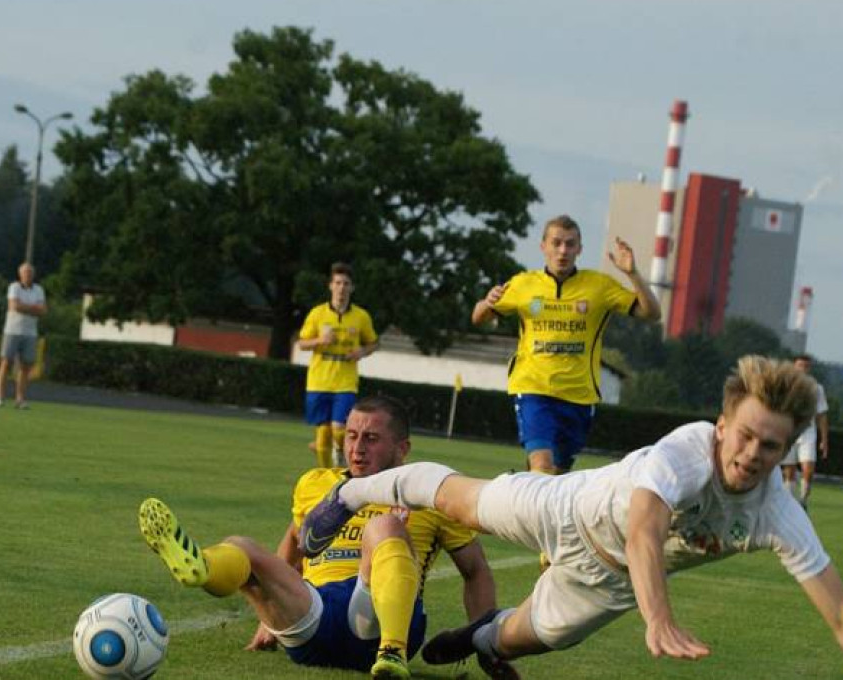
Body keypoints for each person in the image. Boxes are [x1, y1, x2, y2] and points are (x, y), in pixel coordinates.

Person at [300, 356, 843, 675]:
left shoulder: (778, 510)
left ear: (787, 449)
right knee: (458, 501)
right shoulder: (687, 450)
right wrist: (658, 617)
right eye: (745, 435)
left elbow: (837, 614)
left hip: (610, 584)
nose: (752, 454)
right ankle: (351, 495)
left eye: (769, 446)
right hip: (566, 510)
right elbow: (645, 532)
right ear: (722, 425)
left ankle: (478, 637)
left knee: (521, 641)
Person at [138, 395, 498, 679]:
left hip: (381, 620)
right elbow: (294, 547)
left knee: (384, 527)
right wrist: (269, 616)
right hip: (316, 616)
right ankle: (203, 567)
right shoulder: (316, 483)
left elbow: (476, 570)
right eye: (351, 436)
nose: (356, 448)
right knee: (241, 547)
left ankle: (392, 653)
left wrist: (481, 641)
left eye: (371, 439)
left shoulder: (428, 495)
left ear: (402, 449)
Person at [472, 215, 660, 476]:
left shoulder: (599, 286)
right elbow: (478, 317)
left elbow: (651, 313)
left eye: (570, 244)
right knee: (542, 466)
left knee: (558, 476)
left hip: (579, 396)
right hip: (533, 388)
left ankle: (522, 492)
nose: (563, 251)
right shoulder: (523, 284)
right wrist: (487, 301)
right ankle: (528, 496)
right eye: (556, 243)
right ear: (543, 247)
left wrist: (632, 274)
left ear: (579, 249)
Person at [297, 262, 379, 467]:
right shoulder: (317, 314)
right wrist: (319, 341)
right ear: (330, 286)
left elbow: (374, 343)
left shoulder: (361, 316)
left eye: (346, 283)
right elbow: (301, 343)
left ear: (352, 288)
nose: (341, 287)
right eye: (338, 283)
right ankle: (326, 473)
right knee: (323, 434)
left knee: (340, 429)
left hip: (346, 381)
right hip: (318, 380)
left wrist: (362, 351)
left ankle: (342, 455)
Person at [0, 262, 46, 409]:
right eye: (25, 273)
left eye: (30, 273)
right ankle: (0, 397)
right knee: (6, 363)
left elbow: (43, 311)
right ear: (20, 274)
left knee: (26, 366)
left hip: (30, 332)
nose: (28, 275)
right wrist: (33, 309)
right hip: (12, 330)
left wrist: (25, 307)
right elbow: (14, 306)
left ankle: (20, 398)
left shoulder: (39, 290)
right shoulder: (14, 287)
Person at [781, 353, 830, 509]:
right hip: (789, 431)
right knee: (789, 471)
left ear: (809, 368)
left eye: (806, 366)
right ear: (794, 366)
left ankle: (803, 501)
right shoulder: (785, 385)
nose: (803, 369)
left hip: (808, 433)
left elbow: (822, 415)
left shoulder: (816, 388)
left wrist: (824, 440)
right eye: (800, 365)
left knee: (808, 469)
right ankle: (788, 504)